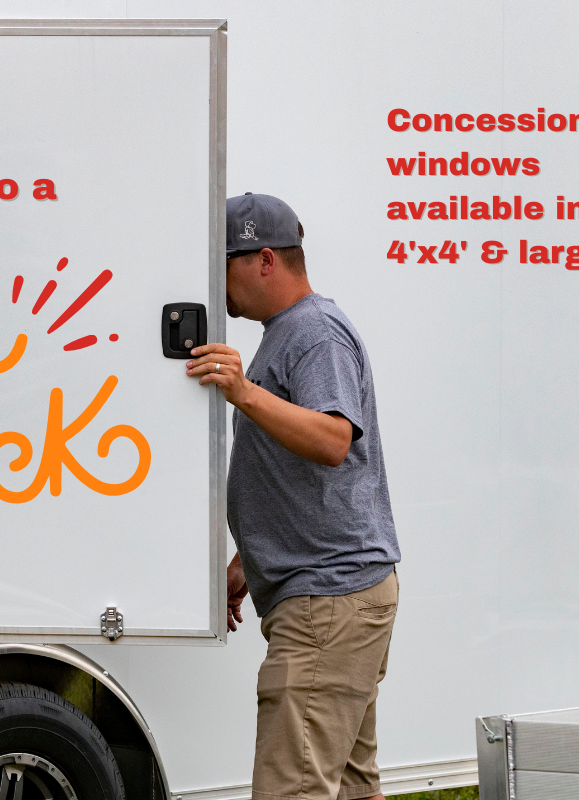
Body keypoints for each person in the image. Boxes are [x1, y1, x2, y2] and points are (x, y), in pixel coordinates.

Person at [186, 193, 401, 800]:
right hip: (339, 596)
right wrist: (248, 559)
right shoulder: (290, 332)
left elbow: (333, 439)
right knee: (351, 788)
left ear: (263, 260)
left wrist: (244, 392)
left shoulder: (314, 333)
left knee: (292, 790)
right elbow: (294, 467)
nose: (216, 285)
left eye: (222, 265)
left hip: (327, 603)